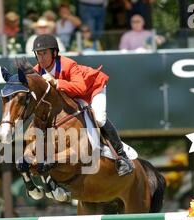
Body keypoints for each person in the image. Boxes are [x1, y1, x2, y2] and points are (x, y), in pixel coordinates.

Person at [32, 34, 134, 176]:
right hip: (72, 96)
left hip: (92, 88)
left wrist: (56, 82)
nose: (41, 58)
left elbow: (81, 88)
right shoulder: (37, 71)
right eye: (38, 54)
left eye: (44, 53)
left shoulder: (68, 64)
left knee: (99, 118)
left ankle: (122, 157)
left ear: (54, 53)